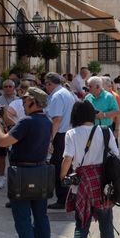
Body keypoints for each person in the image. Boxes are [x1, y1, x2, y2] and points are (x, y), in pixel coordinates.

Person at [0, 87, 54, 238]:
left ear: (33, 102)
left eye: (25, 101)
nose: (23, 104)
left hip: (22, 174)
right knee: (41, 217)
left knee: (22, 219)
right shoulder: (47, 121)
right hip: (41, 172)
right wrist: (6, 120)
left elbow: (3, 141)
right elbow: (21, 133)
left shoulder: (27, 121)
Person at [60, 101, 119, 238]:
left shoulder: (71, 133)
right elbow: (115, 153)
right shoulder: (105, 131)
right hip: (103, 183)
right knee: (106, 222)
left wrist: (62, 176)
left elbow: (67, 158)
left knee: (81, 224)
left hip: (82, 184)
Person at [44, 72, 77, 210]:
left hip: (60, 135)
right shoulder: (66, 93)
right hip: (67, 134)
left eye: (46, 84)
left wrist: (50, 140)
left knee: (59, 167)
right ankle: (68, 196)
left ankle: (63, 198)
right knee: (66, 167)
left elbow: (56, 119)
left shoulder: (57, 96)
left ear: (49, 83)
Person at [0, 79, 19, 189]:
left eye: (10, 86)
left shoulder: (18, 100)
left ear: (14, 88)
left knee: (15, 156)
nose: (7, 88)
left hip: (15, 131)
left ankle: (15, 178)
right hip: (1, 131)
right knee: (1, 155)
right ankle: (1, 178)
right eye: (5, 86)